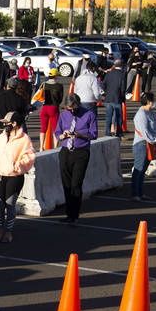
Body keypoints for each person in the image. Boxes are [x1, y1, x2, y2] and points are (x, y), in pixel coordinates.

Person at [0, 112, 35, 242]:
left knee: (10, 205)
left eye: (7, 122)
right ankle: (0, 229)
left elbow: (29, 158)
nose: (4, 125)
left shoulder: (24, 139)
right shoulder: (1, 137)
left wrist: (16, 167)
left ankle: (8, 232)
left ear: (14, 124)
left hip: (14, 178)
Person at [54, 93, 97, 224]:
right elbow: (57, 132)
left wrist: (79, 135)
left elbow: (93, 134)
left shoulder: (89, 115)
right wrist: (62, 136)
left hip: (81, 152)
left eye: (74, 108)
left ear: (79, 105)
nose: (72, 111)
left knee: (76, 184)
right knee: (66, 185)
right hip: (66, 151)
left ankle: (75, 215)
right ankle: (68, 213)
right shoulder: (63, 115)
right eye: (69, 108)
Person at [130, 92, 156, 201]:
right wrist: (154, 140)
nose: (155, 102)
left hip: (149, 143)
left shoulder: (151, 112)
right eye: (153, 100)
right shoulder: (141, 114)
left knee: (143, 170)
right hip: (142, 144)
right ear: (149, 101)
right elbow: (144, 131)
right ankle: (135, 194)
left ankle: (141, 193)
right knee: (138, 169)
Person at [102, 61, 126, 138]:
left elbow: (103, 84)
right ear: (121, 66)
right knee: (118, 117)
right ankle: (118, 132)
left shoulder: (109, 73)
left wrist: (106, 93)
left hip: (109, 97)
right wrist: (122, 97)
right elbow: (123, 87)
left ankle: (107, 132)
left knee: (108, 116)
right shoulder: (122, 74)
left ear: (114, 65)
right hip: (117, 97)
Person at [39, 68, 65, 140]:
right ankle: (55, 148)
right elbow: (60, 99)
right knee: (56, 129)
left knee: (43, 129)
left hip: (44, 108)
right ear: (55, 76)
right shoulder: (59, 86)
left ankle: (41, 147)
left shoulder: (44, 84)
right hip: (53, 107)